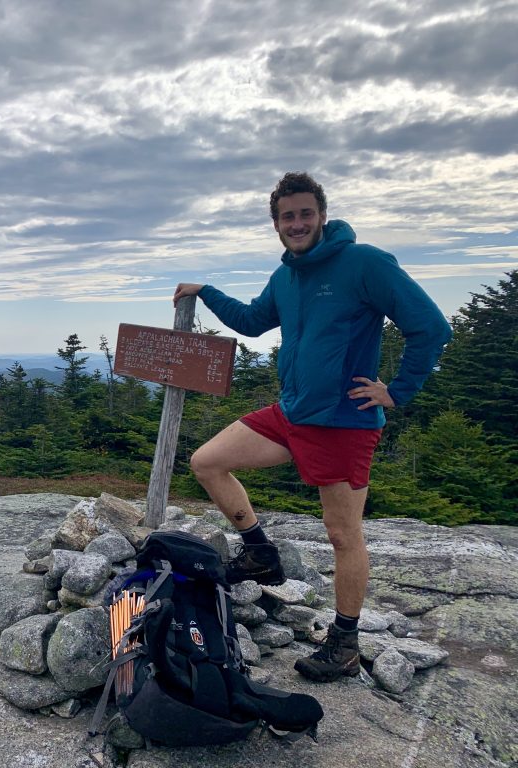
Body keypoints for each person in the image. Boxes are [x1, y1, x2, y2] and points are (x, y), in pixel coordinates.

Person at [172, 172, 451, 682]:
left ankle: (344, 642)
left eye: (304, 213)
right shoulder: (288, 275)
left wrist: (398, 390)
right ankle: (260, 552)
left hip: (343, 421)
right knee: (207, 461)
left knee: (343, 534)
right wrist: (206, 291)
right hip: (292, 412)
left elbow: (431, 327)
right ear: (276, 223)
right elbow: (255, 320)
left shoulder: (364, 263)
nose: (296, 223)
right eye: (286, 216)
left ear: (321, 214)